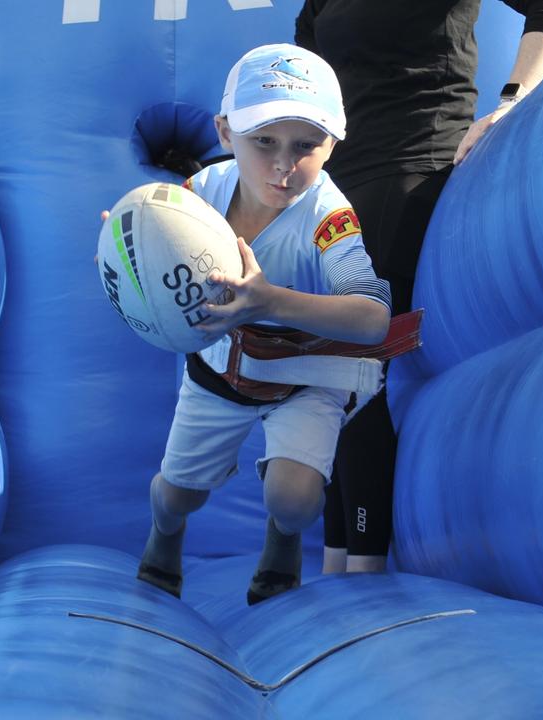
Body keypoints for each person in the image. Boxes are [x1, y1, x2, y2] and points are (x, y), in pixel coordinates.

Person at [295, 1, 543, 573]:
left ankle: (364, 572)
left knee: (353, 363)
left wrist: (514, 100)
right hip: (334, 187)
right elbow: (303, 88)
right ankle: (334, 567)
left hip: (410, 165)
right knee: (322, 373)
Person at [133, 43, 392, 605]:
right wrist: (132, 249)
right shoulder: (198, 196)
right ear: (226, 134)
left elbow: (373, 320)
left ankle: (282, 538)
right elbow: (148, 250)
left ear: (332, 144)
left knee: (295, 499)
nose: (283, 164)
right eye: (264, 142)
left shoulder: (330, 218)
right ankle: (166, 534)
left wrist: (269, 301)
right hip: (217, 375)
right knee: (176, 494)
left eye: (307, 145)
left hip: (305, 375)